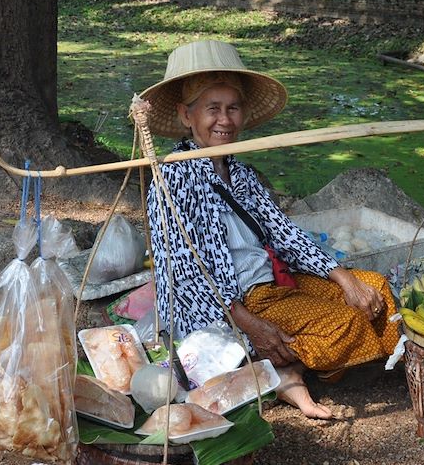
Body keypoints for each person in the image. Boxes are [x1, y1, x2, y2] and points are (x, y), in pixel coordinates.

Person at [141, 40, 399, 419]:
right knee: (342, 325)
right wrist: (250, 324)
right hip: (229, 306)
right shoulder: (173, 178)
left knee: (373, 287)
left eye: (233, 108)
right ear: (186, 115)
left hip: (274, 286)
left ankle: (285, 367)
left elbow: (283, 233)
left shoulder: (240, 173)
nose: (225, 120)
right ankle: (273, 367)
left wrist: (343, 278)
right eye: (213, 109)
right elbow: (187, 273)